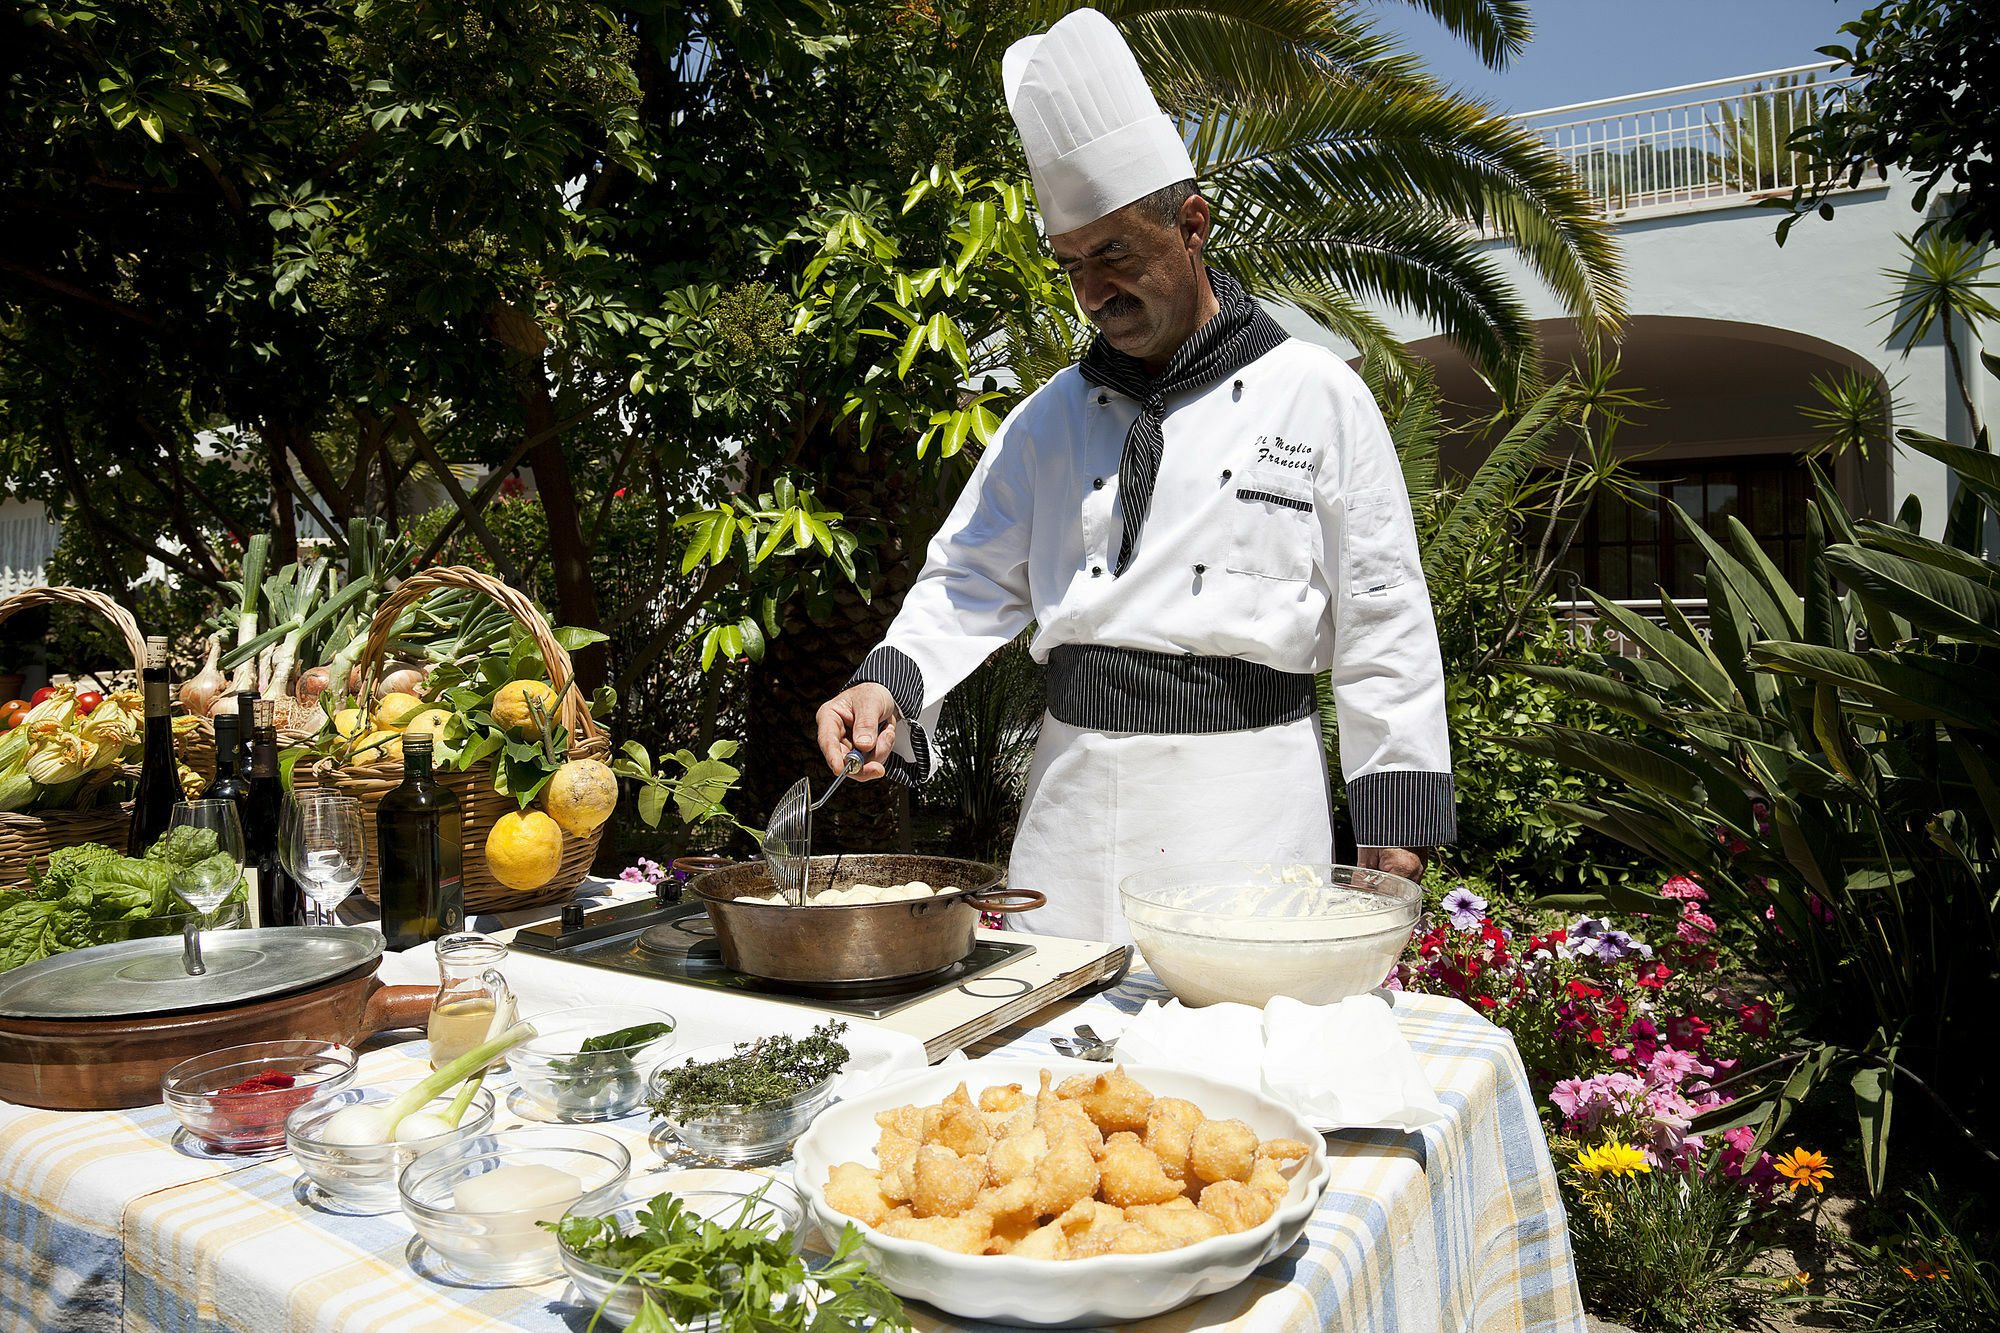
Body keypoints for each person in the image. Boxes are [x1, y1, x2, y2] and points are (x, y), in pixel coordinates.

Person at [815, 8, 1453, 944]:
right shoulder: (1048, 418)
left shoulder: (1315, 394)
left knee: (1230, 1070)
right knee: (1048, 1067)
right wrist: (890, 685)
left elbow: (1383, 614)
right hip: (1070, 806)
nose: (1092, 291)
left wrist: (1393, 838)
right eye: (1072, 265)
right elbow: (967, 577)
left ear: (1191, 225)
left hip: (1247, 816)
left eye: (1113, 252)